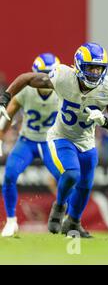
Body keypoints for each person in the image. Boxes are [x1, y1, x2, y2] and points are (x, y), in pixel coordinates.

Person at [0, 43, 108, 237]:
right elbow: (26, 78)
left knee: (85, 185)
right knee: (71, 174)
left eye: (98, 68)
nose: (94, 73)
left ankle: (73, 223)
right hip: (61, 137)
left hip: (87, 141)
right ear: (78, 66)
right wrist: (5, 96)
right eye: (90, 67)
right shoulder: (62, 78)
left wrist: (104, 120)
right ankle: (58, 207)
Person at [0, 53, 61, 237]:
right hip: (27, 141)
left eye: (49, 75)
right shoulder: (26, 90)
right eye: (41, 75)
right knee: (9, 175)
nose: (44, 80)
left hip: (51, 142)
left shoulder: (64, 91)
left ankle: (68, 217)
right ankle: (11, 221)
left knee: (67, 176)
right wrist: (0, 135)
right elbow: (8, 115)